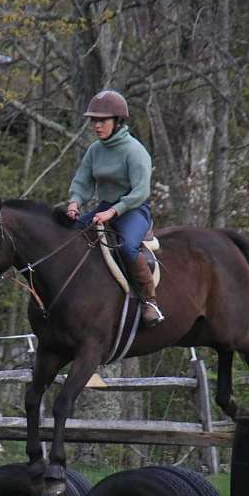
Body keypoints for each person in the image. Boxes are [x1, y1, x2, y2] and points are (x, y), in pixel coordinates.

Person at [66, 89, 164, 327]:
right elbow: (82, 181)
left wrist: (113, 211)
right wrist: (75, 201)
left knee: (128, 247)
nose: (97, 126)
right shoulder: (94, 150)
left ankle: (150, 302)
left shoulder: (135, 151)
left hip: (134, 210)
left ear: (118, 121)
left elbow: (140, 192)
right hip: (105, 208)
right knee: (71, 236)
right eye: (94, 121)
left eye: (102, 121)